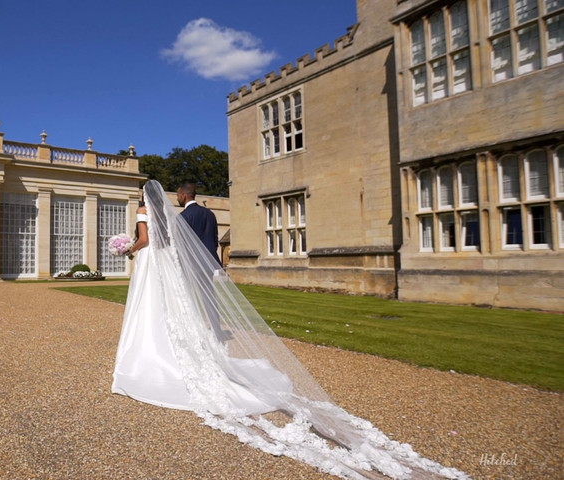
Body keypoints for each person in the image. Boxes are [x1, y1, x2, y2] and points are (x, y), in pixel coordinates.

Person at [112, 180, 469, 480]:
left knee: (161, 310)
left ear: (163, 196)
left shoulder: (151, 212)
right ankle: (190, 341)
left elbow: (147, 241)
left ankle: (155, 352)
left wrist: (127, 248)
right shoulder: (182, 215)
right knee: (182, 310)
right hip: (180, 265)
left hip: (156, 264)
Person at [177, 182, 221, 266]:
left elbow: (181, 244)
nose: (177, 199)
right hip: (212, 262)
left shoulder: (183, 216)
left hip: (194, 264)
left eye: (178, 195)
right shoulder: (210, 214)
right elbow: (215, 241)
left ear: (183, 195)